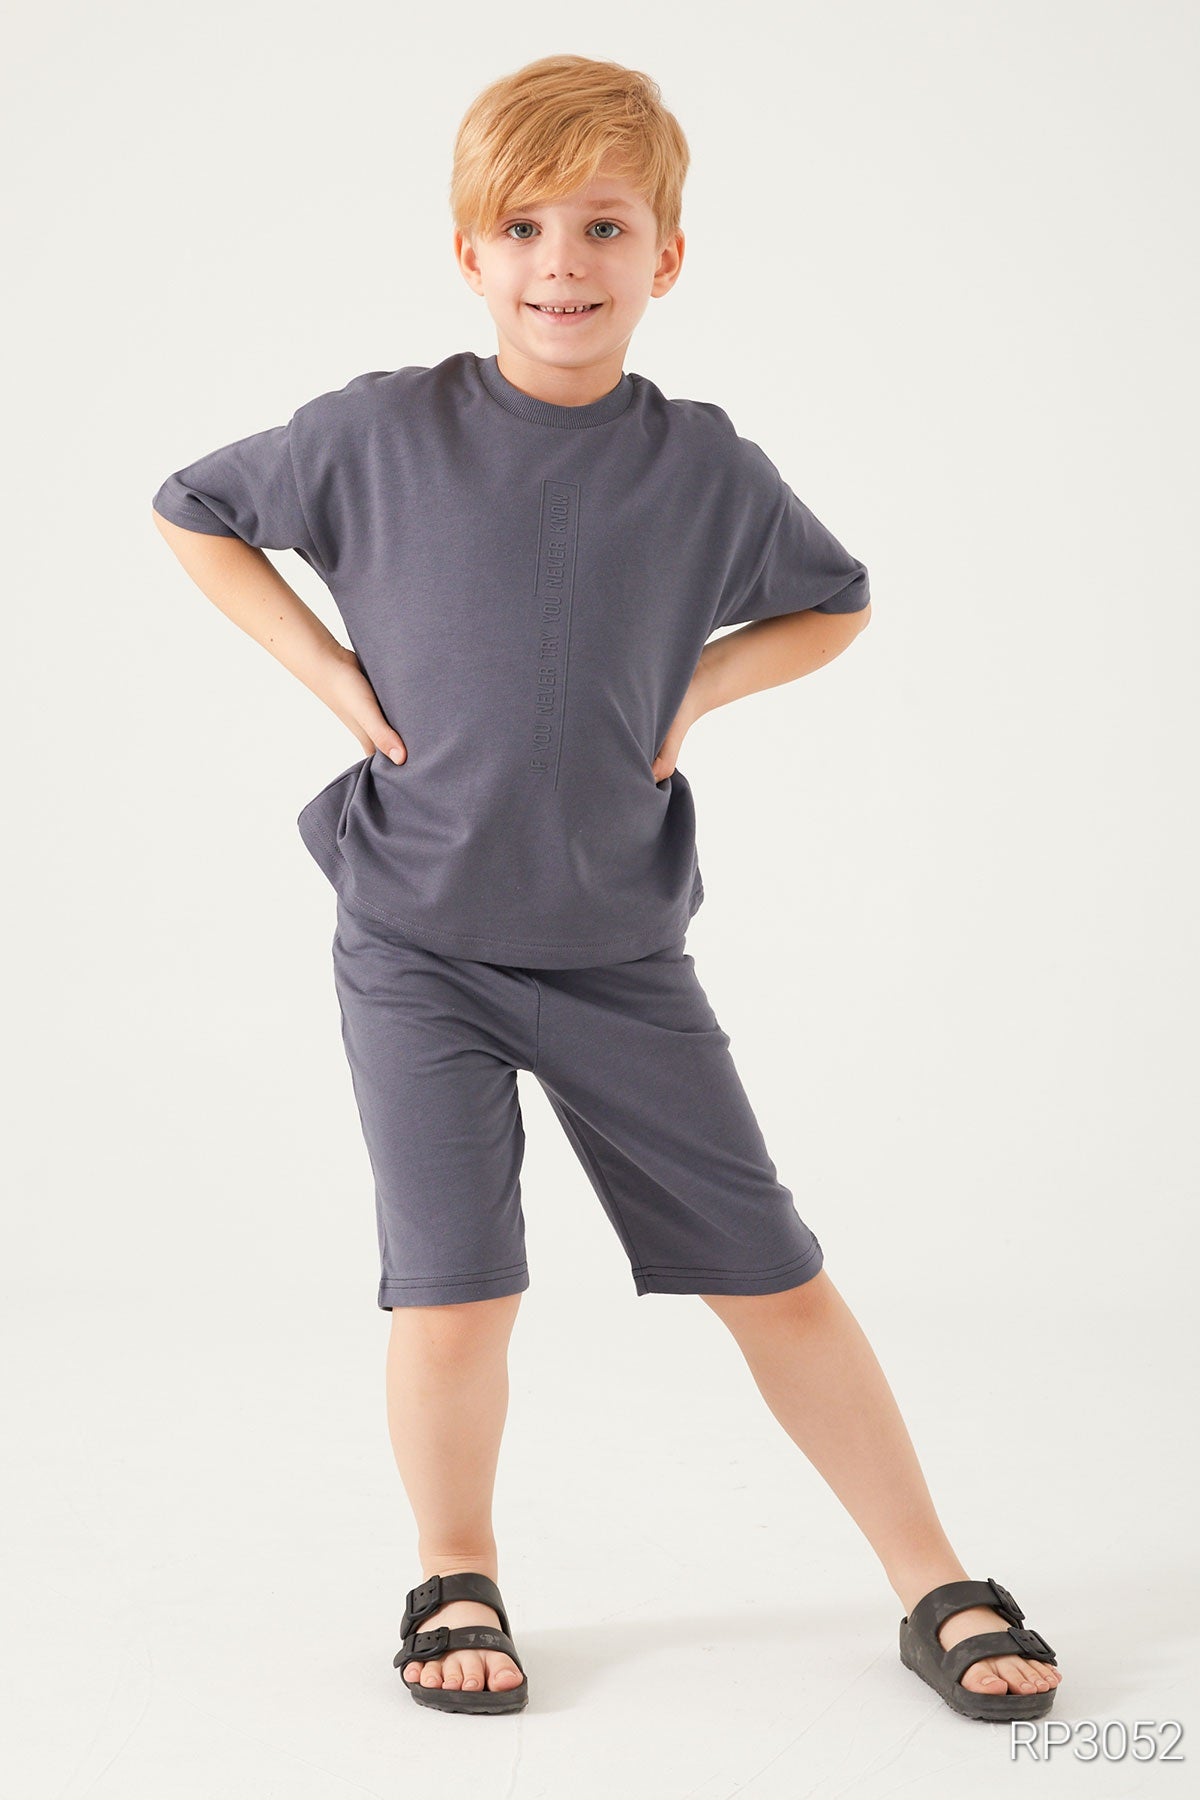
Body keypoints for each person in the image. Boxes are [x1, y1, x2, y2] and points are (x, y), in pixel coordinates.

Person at [150, 53, 1062, 1723]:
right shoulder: (375, 432)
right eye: (523, 228)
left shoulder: (706, 468)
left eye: (603, 225)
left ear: (666, 259)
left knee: (771, 1273)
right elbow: (194, 510)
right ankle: (455, 1569)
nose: (561, 260)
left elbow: (833, 601)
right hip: (415, 939)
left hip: (617, 951)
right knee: (455, 1290)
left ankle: (935, 1579)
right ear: (470, 257)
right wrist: (336, 683)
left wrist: (700, 689)